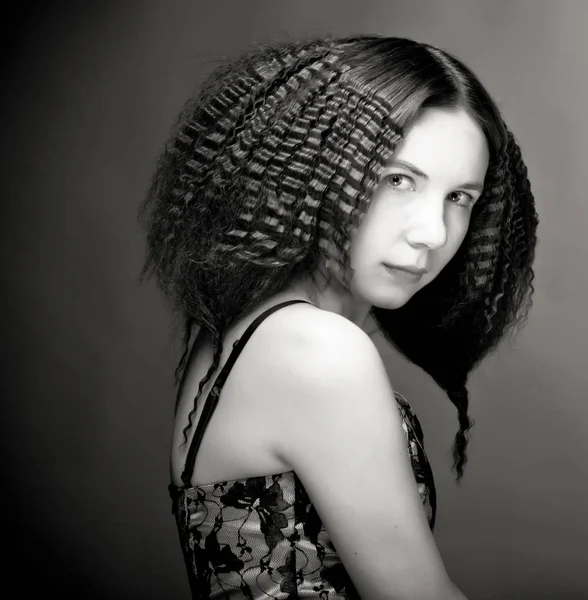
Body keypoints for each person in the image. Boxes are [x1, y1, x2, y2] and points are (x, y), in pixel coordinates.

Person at [137, 34, 538, 600]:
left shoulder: (243, 325)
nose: (434, 233)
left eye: (460, 197)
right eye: (398, 180)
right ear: (315, 171)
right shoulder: (315, 350)